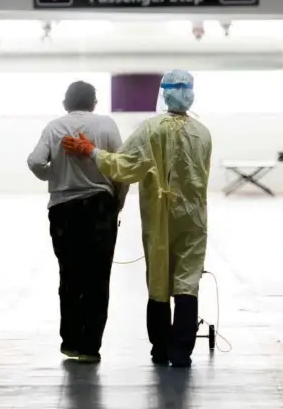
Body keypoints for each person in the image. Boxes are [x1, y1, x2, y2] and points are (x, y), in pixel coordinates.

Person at [61, 69, 212, 368]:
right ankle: (181, 352)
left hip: (160, 215)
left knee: (158, 280)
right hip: (194, 218)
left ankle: (160, 349)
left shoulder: (151, 129)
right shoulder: (203, 133)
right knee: (187, 281)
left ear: (164, 93)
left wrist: (91, 152)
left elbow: (125, 166)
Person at [27, 81, 128, 364]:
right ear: (94, 103)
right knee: (98, 278)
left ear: (65, 103)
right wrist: (117, 203)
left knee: (69, 276)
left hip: (63, 210)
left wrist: (54, 176)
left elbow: (35, 161)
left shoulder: (54, 128)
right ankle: (90, 347)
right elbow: (120, 169)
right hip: (99, 207)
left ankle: (70, 342)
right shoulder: (107, 125)